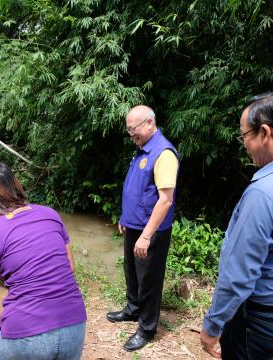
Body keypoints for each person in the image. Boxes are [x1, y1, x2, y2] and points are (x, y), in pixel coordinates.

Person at [200, 92, 273, 359]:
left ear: (264, 132)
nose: (245, 145)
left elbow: (238, 275)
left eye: (245, 137)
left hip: (259, 322)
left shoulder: (265, 192)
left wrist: (213, 325)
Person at [0, 162, 87, 360]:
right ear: (16, 184)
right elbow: (70, 267)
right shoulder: (51, 215)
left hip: (24, 335)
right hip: (74, 324)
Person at [107, 105, 179, 351]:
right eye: (128, 130)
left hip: (152, 230)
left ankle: (147, 328)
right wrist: (126, 217)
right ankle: (133, 309)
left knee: (149, 279)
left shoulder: (164, 153)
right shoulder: (141, 149)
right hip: (134, 225)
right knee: (132, 271)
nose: (131, 134)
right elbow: (137, 188)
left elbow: (165, 200)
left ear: (149, 123)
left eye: (133, 129)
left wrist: (147, 235)